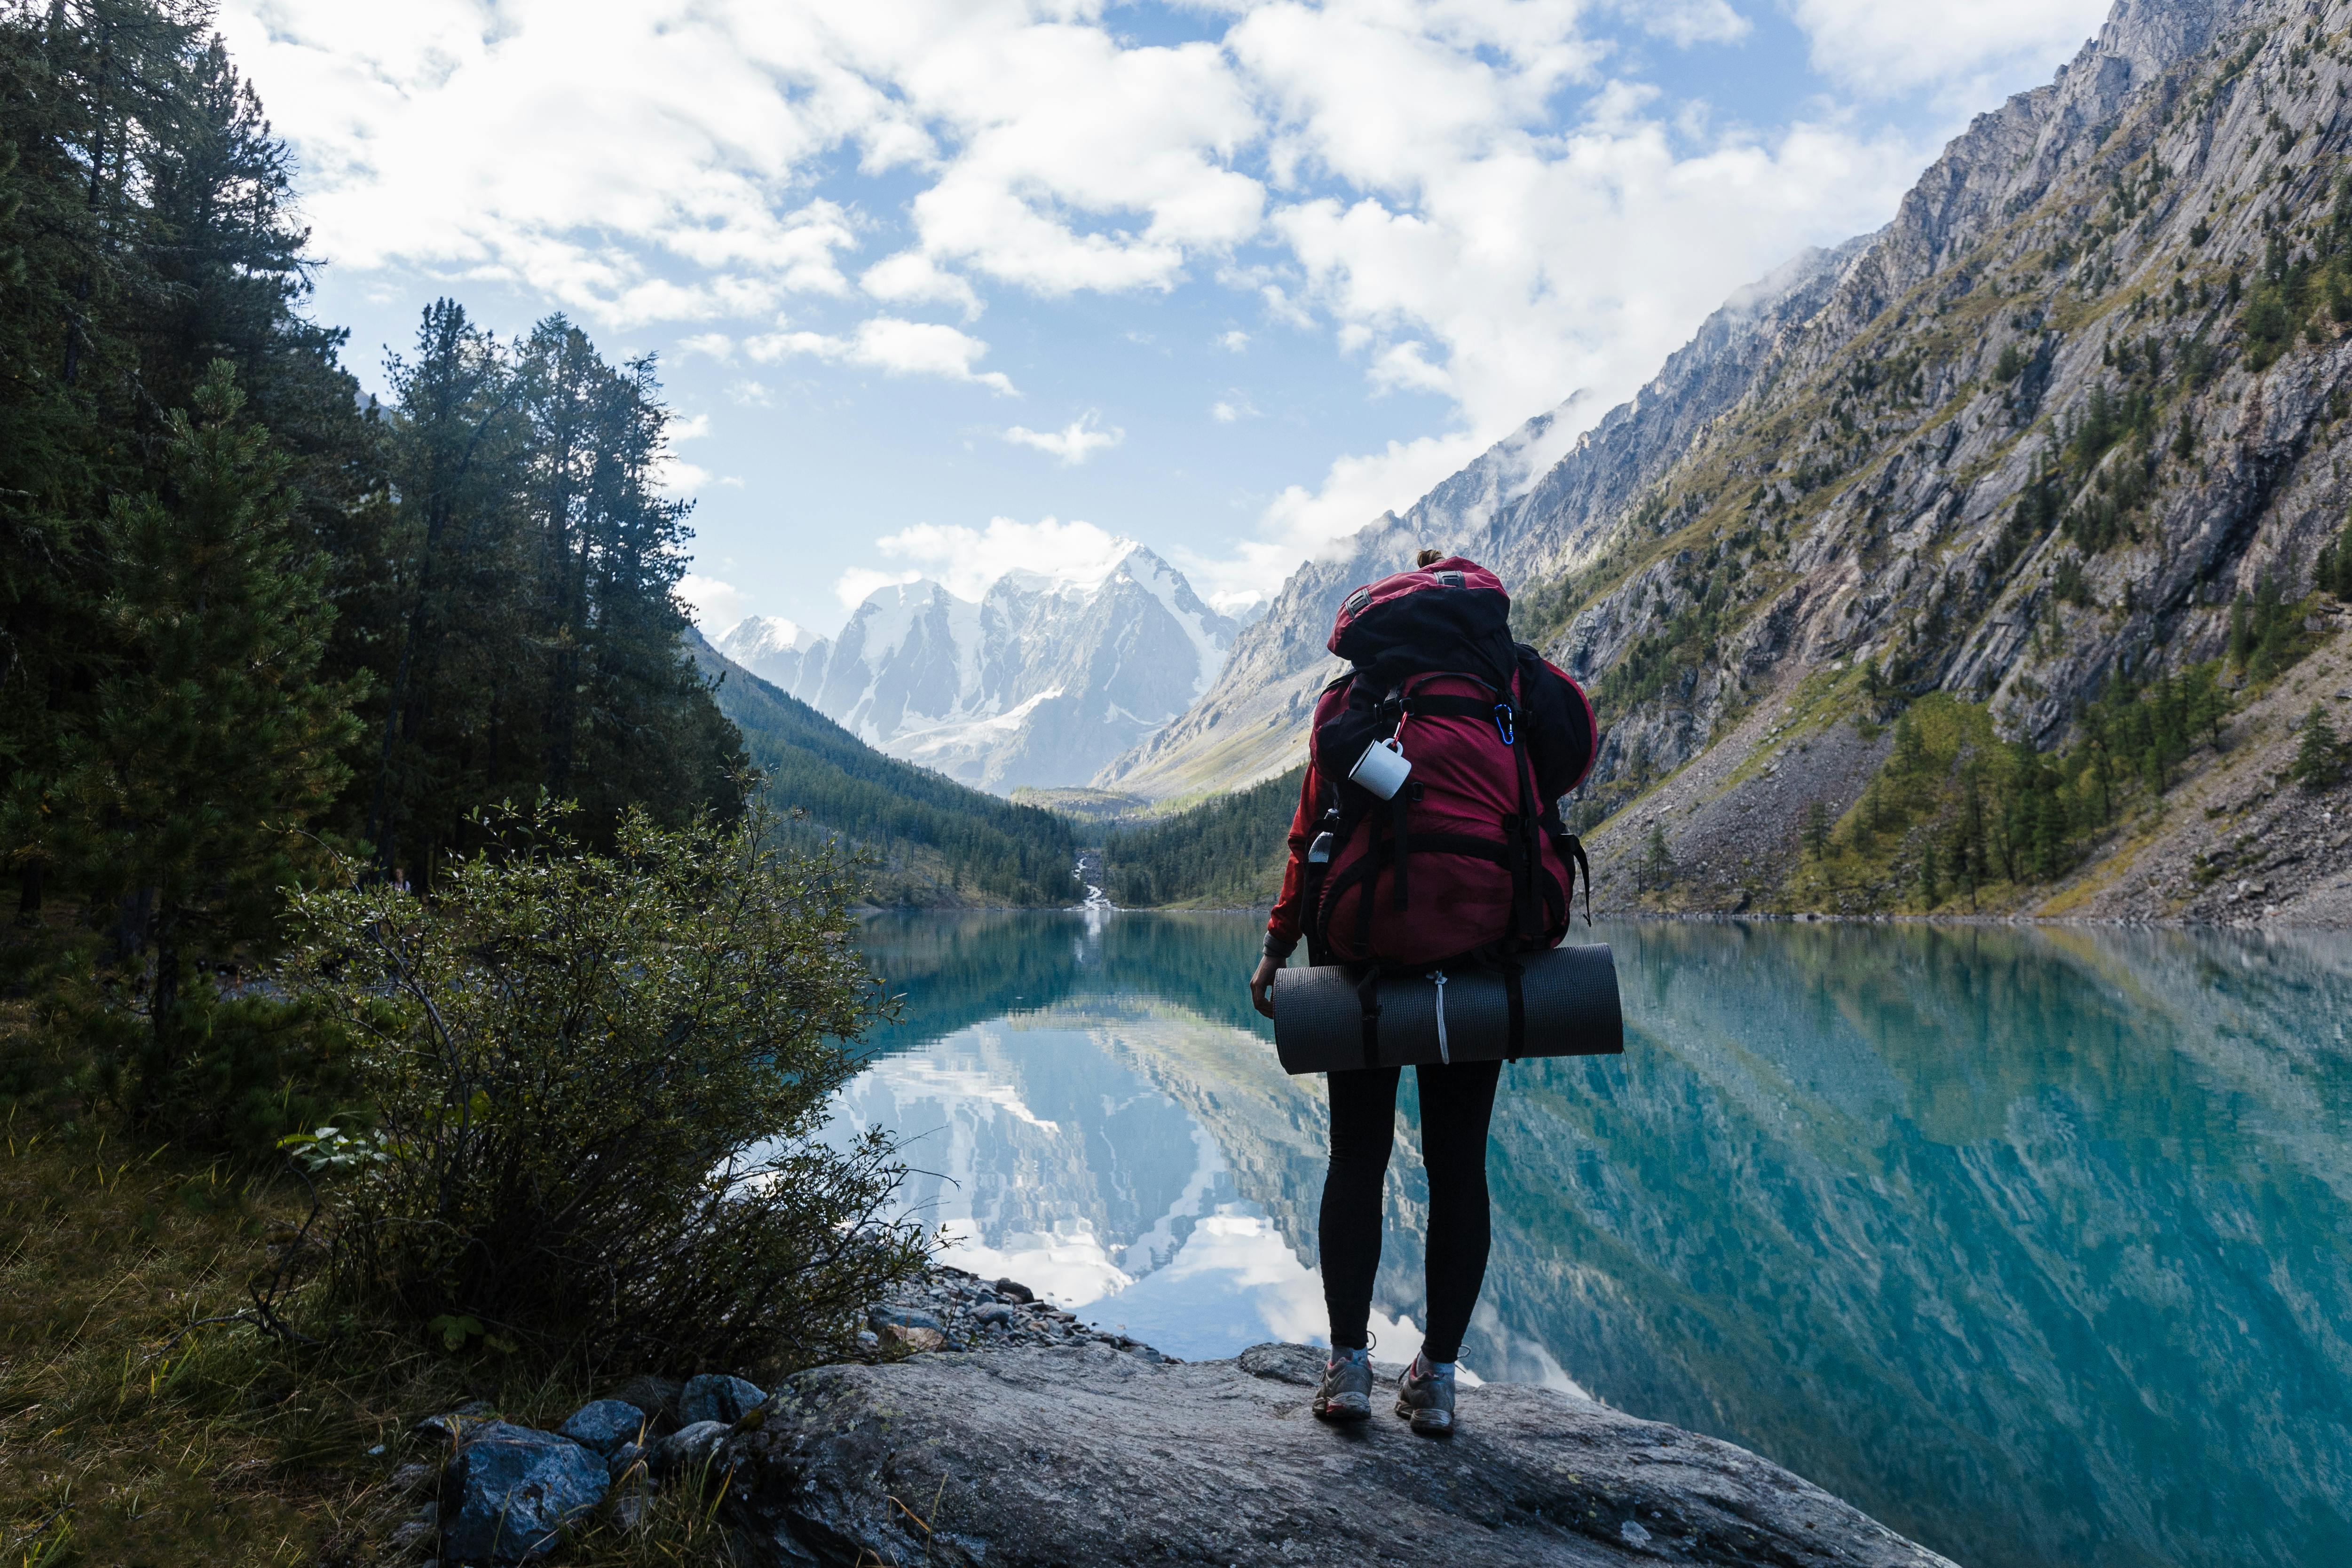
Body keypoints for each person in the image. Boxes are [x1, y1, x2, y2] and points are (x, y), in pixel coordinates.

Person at [1248, 547, 1595, 1437]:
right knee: (1459, 1167)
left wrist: (1277, 947)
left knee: (1355, 1160)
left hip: (1361, 952)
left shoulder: (1359, 697)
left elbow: (1310, 834)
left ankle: (1347, 1372)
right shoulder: (1510, 686)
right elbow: (1562, 773)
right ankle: (1438, 1380)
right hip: (1482, 947)